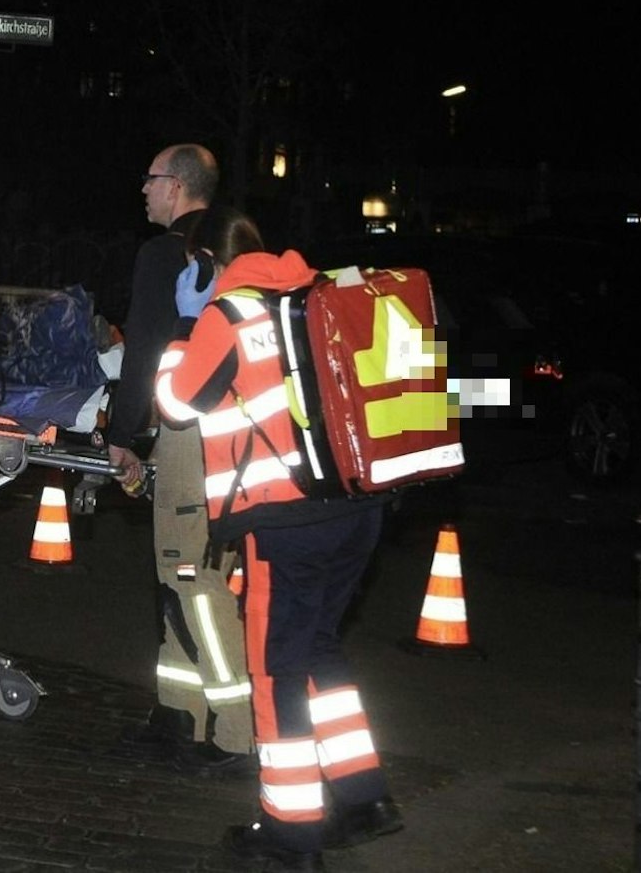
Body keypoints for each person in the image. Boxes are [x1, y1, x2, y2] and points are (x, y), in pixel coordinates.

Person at [157, 208, 402, 870]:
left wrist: (184, 325)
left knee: (276, 670)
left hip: (288, 522)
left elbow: (179, 403)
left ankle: (292, 831)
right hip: (360, 508)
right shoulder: (323, 291)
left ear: (204, 261)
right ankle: (363, 795)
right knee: (321, 649)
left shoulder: (228, 315)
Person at [107, 143, 255, 774]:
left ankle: (235, 734)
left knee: (193, 582)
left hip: (189, 436)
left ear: (176, 186)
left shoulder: (164, 255)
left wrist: (121, 433)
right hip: (240, 439)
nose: (142, 189)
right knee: (181, 575)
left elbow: (144, 349)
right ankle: (178, 713)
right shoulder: (237, 249)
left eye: (150, 178)